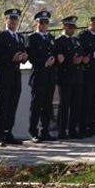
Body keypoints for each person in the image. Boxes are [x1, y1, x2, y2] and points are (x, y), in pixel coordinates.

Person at [0, 8, 26, 145]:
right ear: (6, 20)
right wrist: (11, 58)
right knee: (3, 106)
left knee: (13, 105)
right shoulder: (1, 36)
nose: (13, 22)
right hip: (4, 76)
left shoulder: (19, 37)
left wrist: (23, 57)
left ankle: (8, 132)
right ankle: (0, 135)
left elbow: (22, 54)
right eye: (11, 19)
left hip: (16, 75)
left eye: (15, 19)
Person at [27, 10, 56, 141]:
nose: (44, 26)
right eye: (41, 23)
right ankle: (33, 131)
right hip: (39, 75)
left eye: (46, 23)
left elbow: (55, 53)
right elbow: (32, 57)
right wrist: (44, 63)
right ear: (37, 23)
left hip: (50, 76)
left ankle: (45, 130)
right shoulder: (32, 38)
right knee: (37, 105)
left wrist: (54, 59)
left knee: (47, 105)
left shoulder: (51, 38)